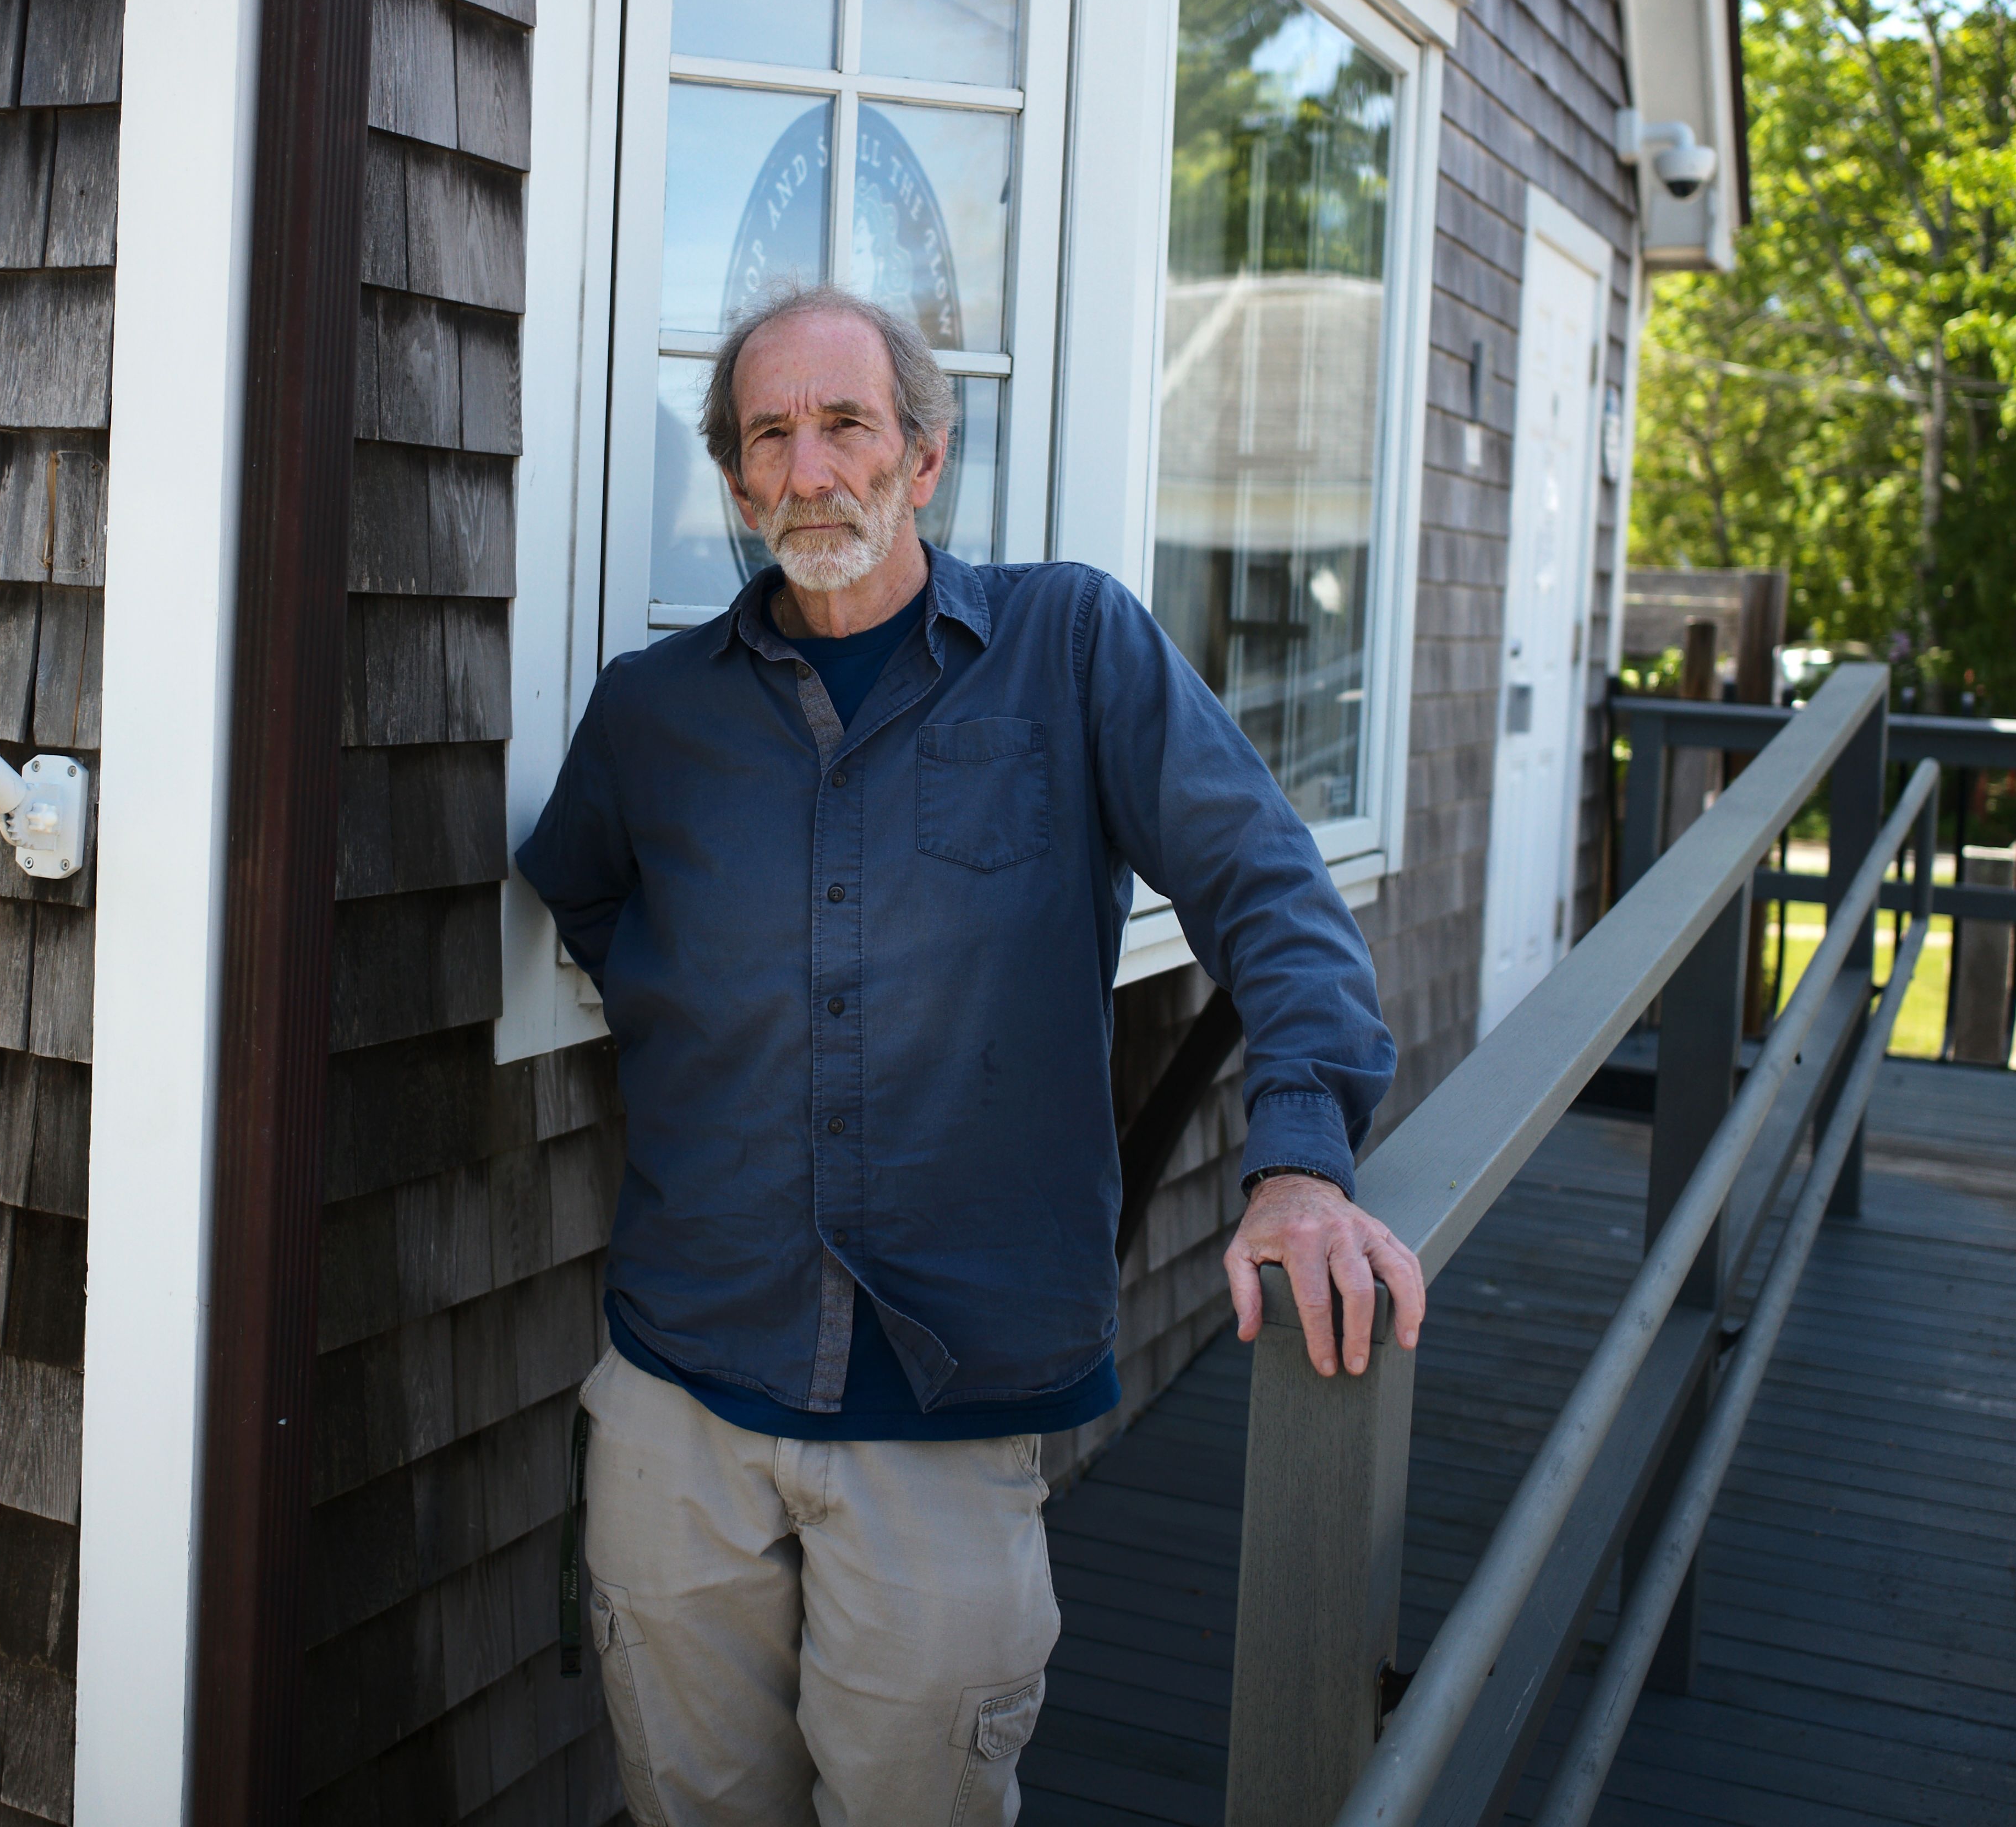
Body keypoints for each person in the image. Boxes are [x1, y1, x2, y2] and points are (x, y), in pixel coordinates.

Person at [515, 282, 1427, 1825]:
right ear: (738, 484)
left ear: (925, 457)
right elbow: (587, 892)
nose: (811, 471)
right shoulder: (651, 718)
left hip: (949, 1414)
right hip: (683, 1393)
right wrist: (716, 1019)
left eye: (847, 425)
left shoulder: (1069, 649)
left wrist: (1301, 1161)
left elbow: (1269, 888)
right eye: (771, 437)